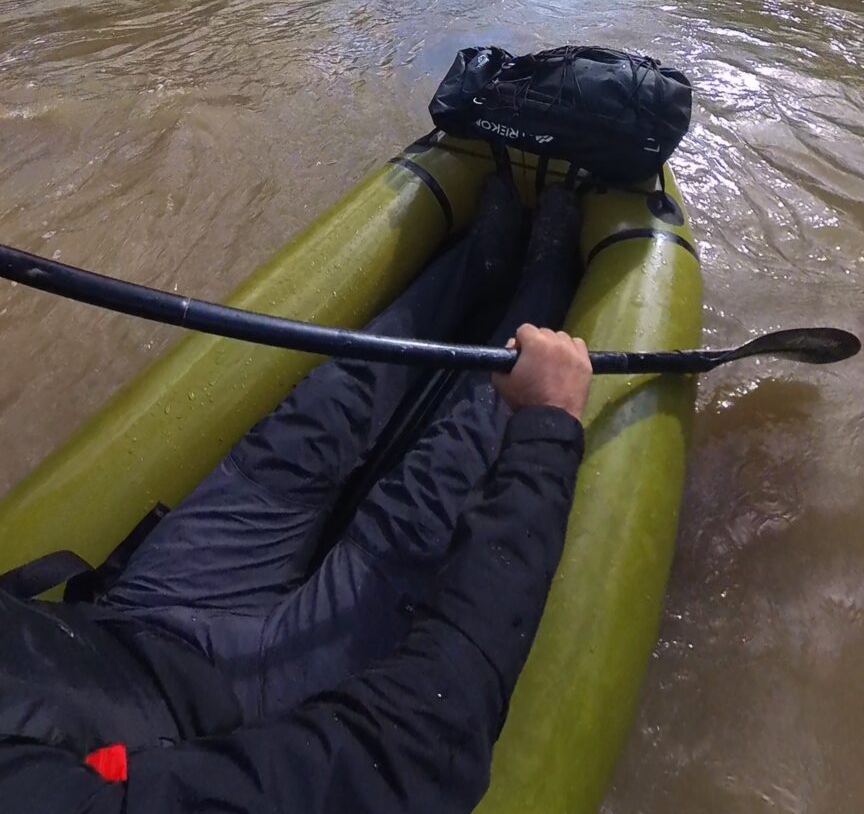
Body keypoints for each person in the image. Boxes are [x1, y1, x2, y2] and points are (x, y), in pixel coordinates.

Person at [0, 181, 592, 814]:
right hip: (242, 720)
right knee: (424, 498)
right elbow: (409, 755)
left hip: (135, 618)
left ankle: (483, 258)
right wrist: (549, 426)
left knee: (323, 410)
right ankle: (547, 283)